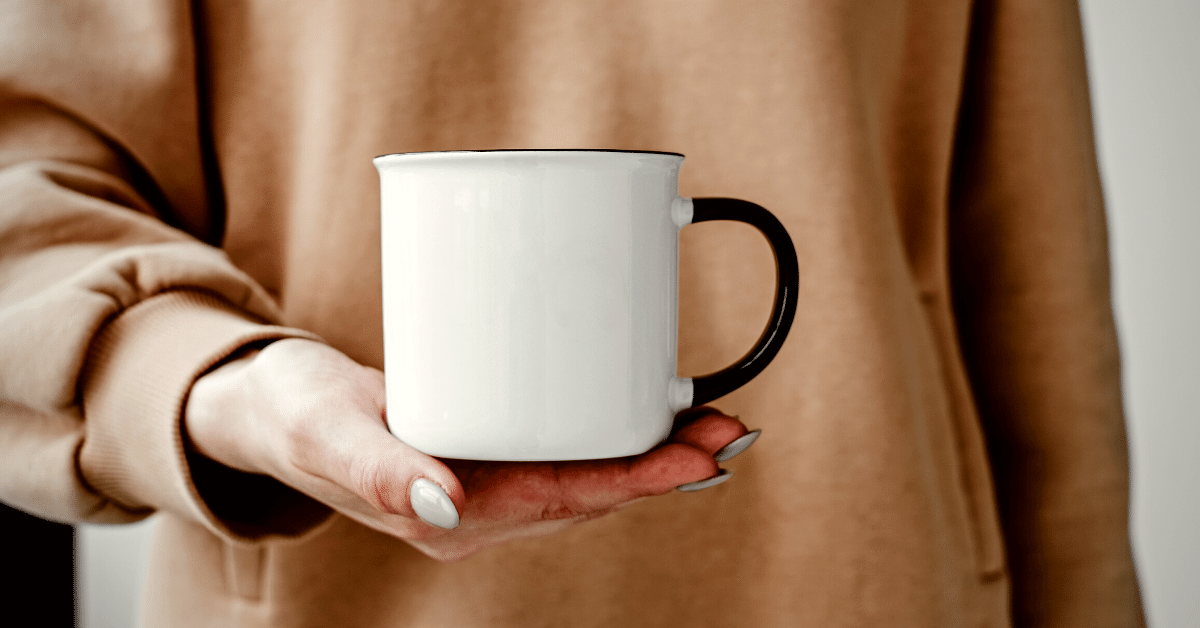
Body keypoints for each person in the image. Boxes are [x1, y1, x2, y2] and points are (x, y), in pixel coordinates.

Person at [0, 0, 1144, 626]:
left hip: (871, 583)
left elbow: (1033, 276)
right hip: (332, 603)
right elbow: (27, 189)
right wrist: (226, 384)